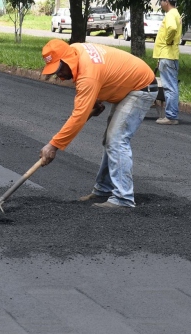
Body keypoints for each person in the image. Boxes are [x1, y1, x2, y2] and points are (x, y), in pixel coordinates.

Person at [39, 39, 157, 209]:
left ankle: (123, 198)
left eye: (59, 69)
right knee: (110, 140)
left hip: (141, 87)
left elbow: (78, 117)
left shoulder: (88, 75)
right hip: (128, 84)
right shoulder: (75, 50)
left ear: (68, 61)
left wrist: (53, 145)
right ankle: (103, 190)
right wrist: (92, 103)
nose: (59, 75)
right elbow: (101, 75)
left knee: (117, 140)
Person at [152, 0, 182, 124]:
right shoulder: (176, 13)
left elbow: (172, 28)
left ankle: (170, 116)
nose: (160, 3)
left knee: (169, 87)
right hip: (169, 55)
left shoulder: (170, 14)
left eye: (161, 1)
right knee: (172, 86)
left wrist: (168, 41)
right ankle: (172, 115)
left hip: (167, 54)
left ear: (167, 2)